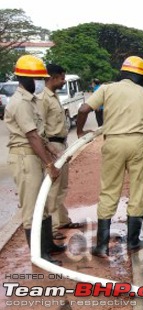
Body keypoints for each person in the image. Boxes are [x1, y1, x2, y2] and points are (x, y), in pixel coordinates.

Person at [76, 56, 143, 257]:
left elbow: (83, 109)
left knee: (109, 190)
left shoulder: (107, 89)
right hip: (138, 143)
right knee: (138, 190)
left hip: (113, 142)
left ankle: (102, 246)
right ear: (141, 77)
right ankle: (132, 241)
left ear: (123, 73)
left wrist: (80, 132)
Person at [5, 55, 65, 265]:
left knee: (45, 205)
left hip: (34, 154)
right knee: (32, 207)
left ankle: (48, 246)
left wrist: (50, 150)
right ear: (24, 79)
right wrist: (49, 164)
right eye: (36, 79)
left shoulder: (30, 100)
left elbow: (39, 134)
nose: (39, 83)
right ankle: (39, 256)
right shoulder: (20, 103)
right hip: (25, 157)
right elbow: (31, 136)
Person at [38, 64, 85, 241]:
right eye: (62, 78)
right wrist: (48, 153)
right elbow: (39, 128)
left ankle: (62, 220)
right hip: (52, 145)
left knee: (62, 186)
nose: (63, 81)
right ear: (52, 77)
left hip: (61, 144)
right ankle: (52, 227)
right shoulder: (43, 99)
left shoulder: (54, 97)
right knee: (53, 188)